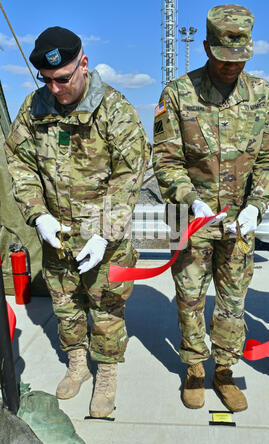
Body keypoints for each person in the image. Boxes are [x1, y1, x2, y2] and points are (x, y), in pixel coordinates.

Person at [5, 26, 151, 418]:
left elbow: (131, 172)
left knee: (106, 311)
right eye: (47, 80)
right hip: (58, 239)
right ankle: (77, 364)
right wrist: (38, 214)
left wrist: (104, 233)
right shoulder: (34, 108)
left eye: (63, 78)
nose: (55, 89)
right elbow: (20, 163)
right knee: (66, 307)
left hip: (105, 241)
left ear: (83, 64)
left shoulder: (115, 111)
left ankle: (106, 373)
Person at [153, 4, 269, 412]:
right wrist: (191, 198)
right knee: (188, 296)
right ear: (205, 46)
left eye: (239, 61)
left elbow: (268, 160)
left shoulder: (263, 94)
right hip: (187, 215)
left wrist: (257, 205)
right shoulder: (177, 93)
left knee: (233, 300)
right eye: (223, 59)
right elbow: (165, 161)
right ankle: (194, 370)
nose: (230, 68)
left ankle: (224, 371)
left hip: (240, 219)